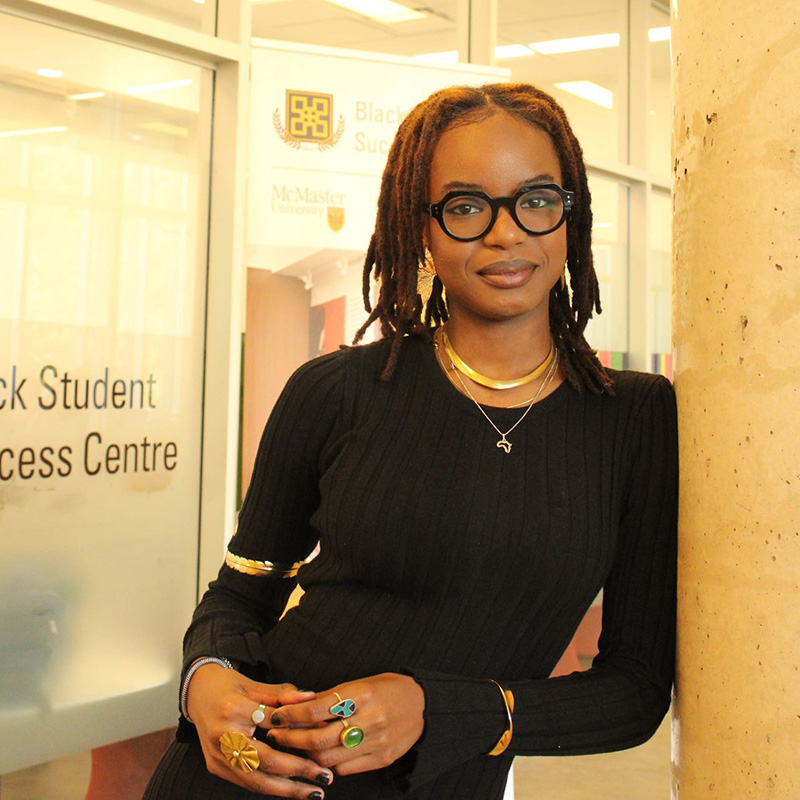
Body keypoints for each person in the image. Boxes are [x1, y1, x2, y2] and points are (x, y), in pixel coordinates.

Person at [144, 82, 678, 800]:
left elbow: (634, 694)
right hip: (243, 779)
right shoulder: (336, 391)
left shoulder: (637, 420)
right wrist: (204, 684)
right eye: (464, 207)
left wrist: (441, 708)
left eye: (537, 199)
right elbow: (241, 595)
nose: (506, 232)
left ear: (569, 215)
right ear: (418, 227)